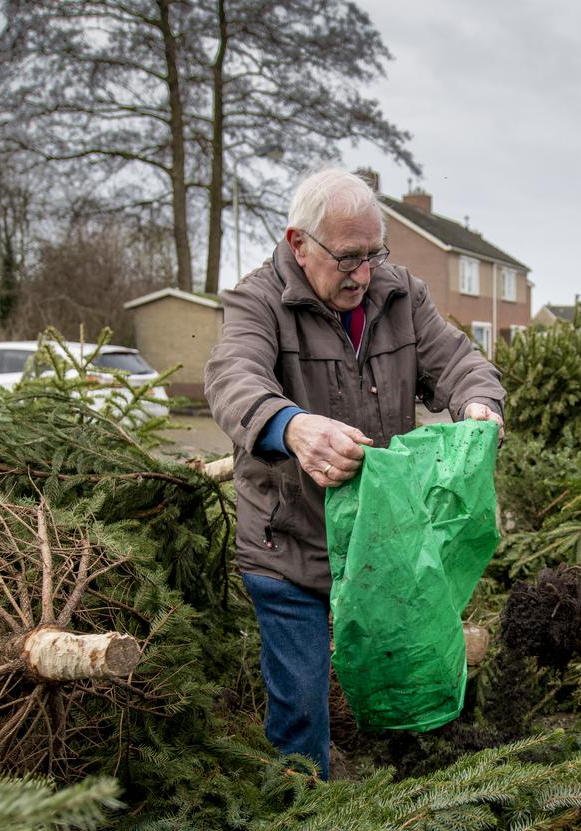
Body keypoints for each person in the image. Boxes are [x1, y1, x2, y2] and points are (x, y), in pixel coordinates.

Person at [206, 168, 505, 780]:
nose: (363, 274)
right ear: (298, 243)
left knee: (406, 675)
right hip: (289, 545)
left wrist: (479, 403)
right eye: (348, 258)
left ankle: (407, 806)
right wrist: (291, 427)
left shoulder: (400, 296)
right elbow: (233, 379)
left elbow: (459, 362)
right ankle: (304, 825)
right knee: (302, 708)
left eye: (374, 255)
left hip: (381, 541)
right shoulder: (256, 301)